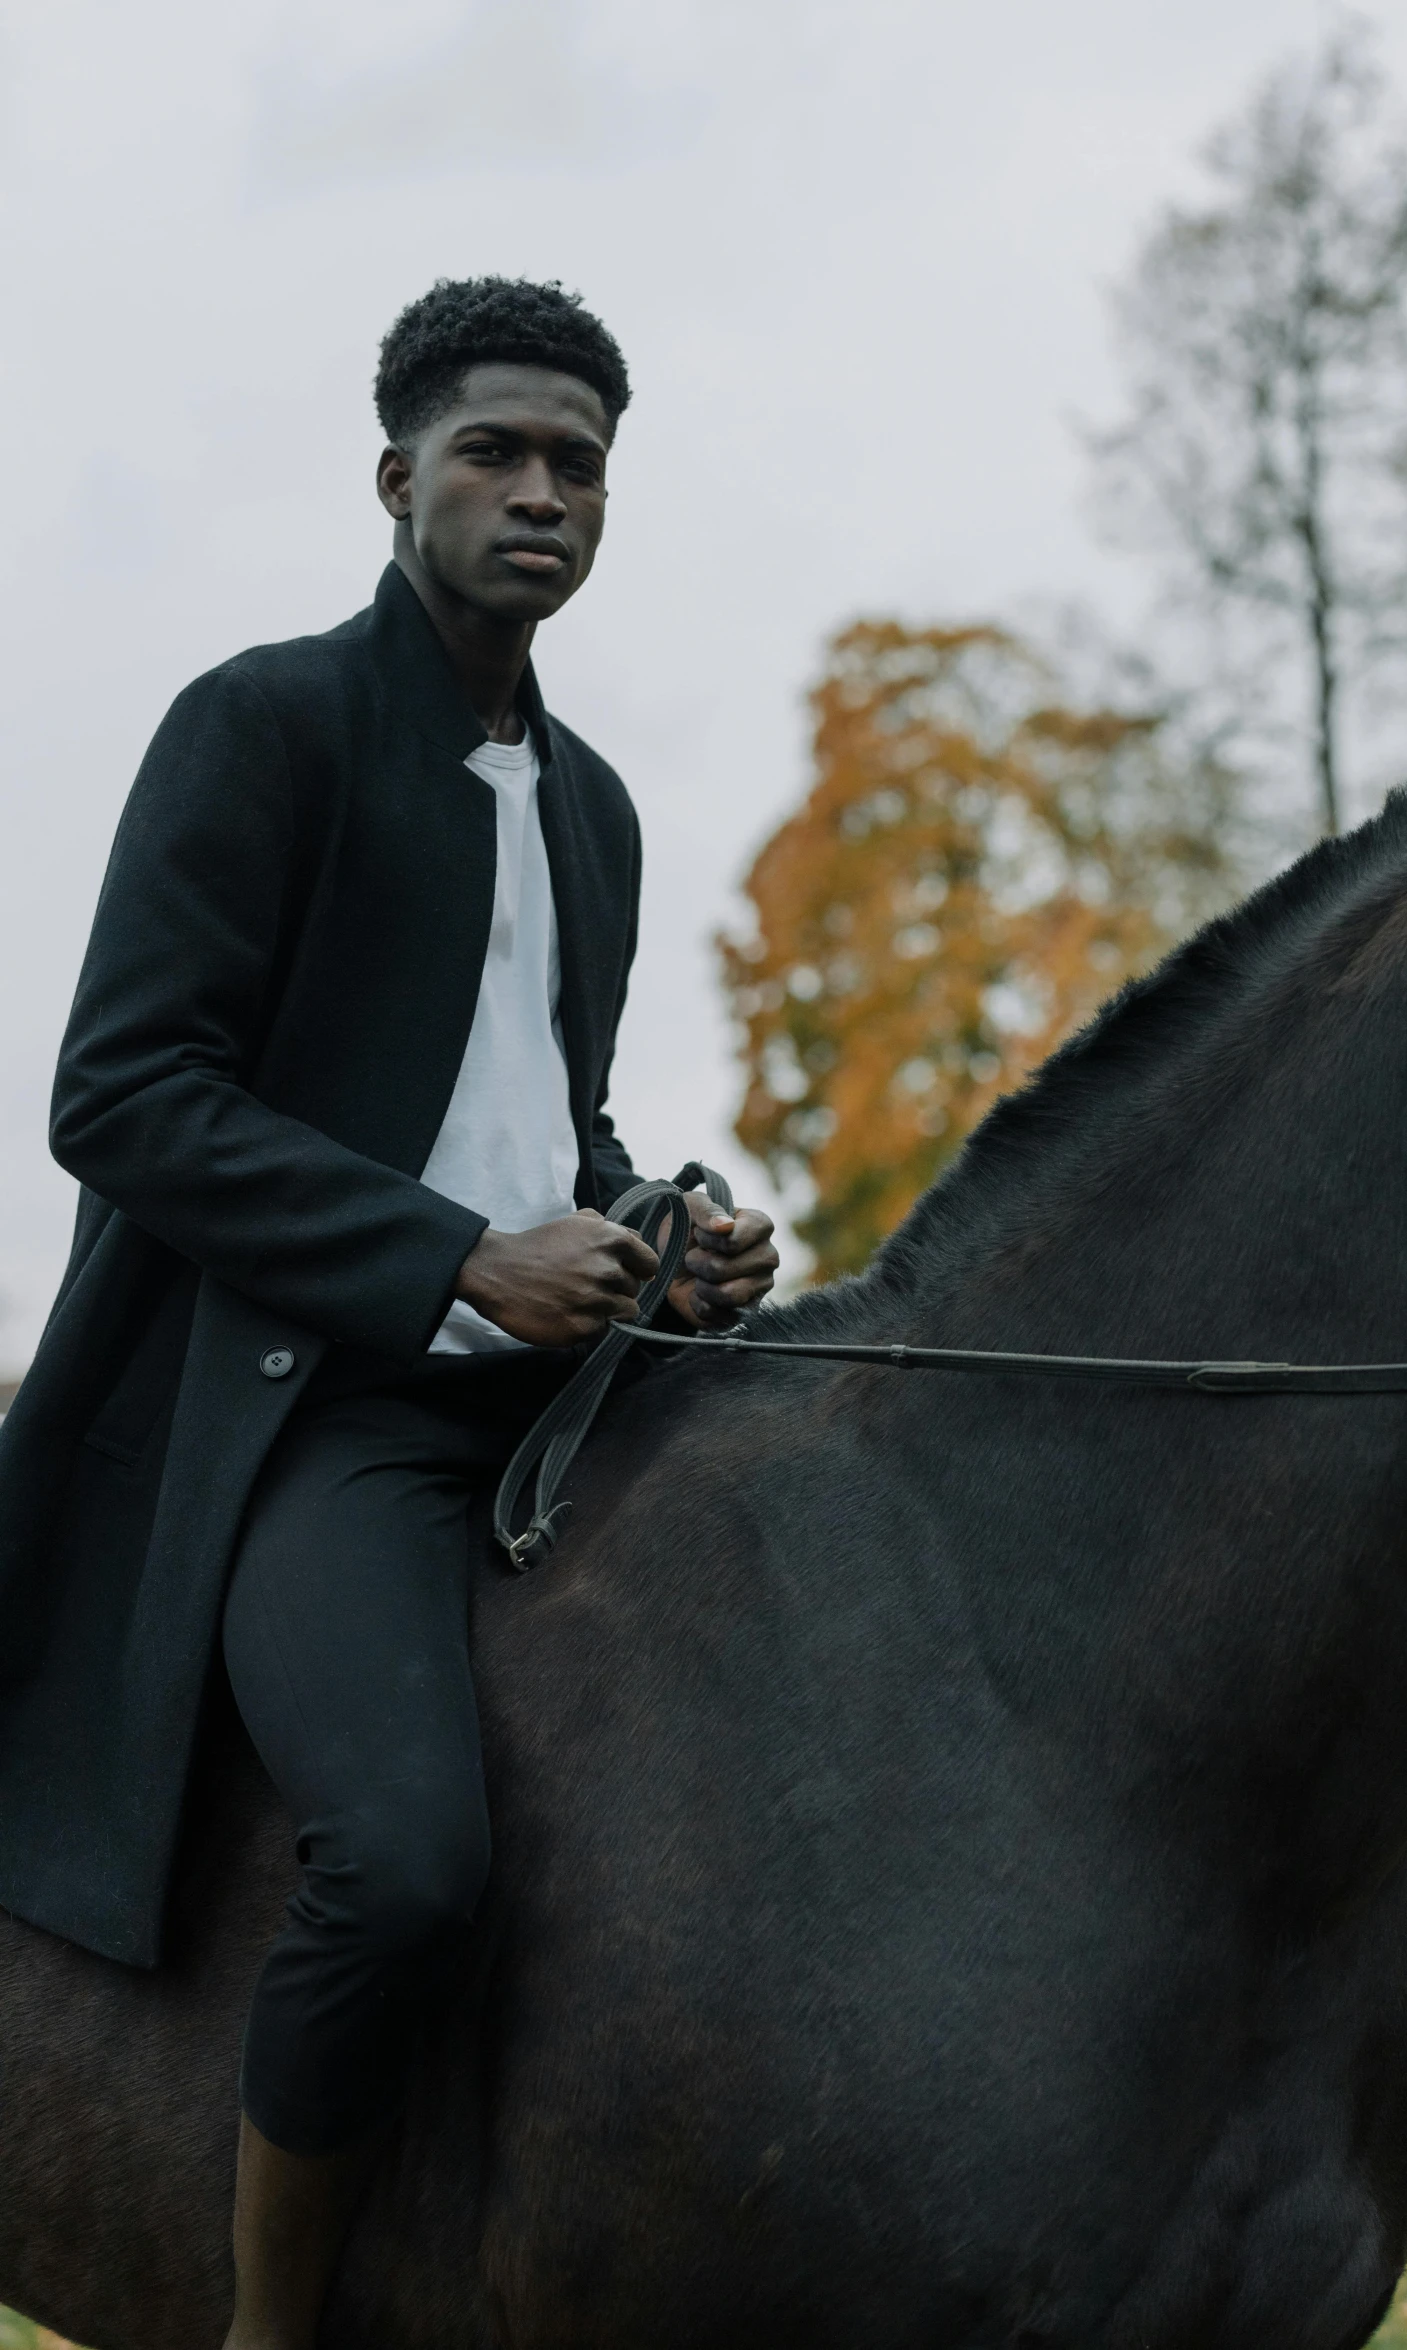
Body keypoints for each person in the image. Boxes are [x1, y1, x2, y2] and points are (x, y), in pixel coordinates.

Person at [0, 275, 778, 2350]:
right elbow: (123, 1092)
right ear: (397, 478)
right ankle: (273, 2325)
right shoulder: (260, 724)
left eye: (578, 464)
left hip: (563, 1387)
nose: (542, 493)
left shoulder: (595, 803)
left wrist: (654, 1222)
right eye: (495, 453)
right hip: (317, 1412)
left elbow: (548, 1119)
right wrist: (450, 1256)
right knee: (412, 1857)